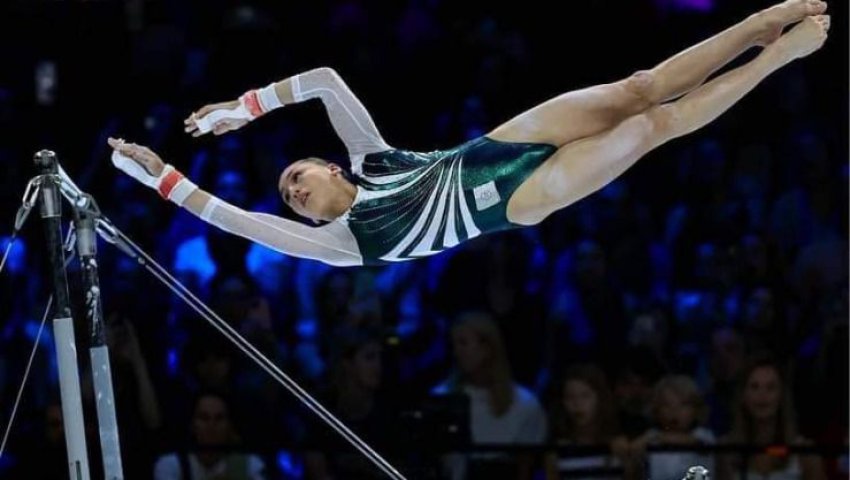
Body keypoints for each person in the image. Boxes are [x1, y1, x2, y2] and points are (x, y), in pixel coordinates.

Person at [109, 2, 828, 267]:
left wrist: (245, 106)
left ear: (331, 166)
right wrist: (164, 180)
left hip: (498, 145)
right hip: (517, 201)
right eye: (290, 197)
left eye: (296, 177)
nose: (292, 192)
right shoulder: (341, 246)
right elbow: (236, 222)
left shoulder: (372, 157)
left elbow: (325, 78)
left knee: (636, 88)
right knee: (649, 126)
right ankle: (779, 57)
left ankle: (756, 24)